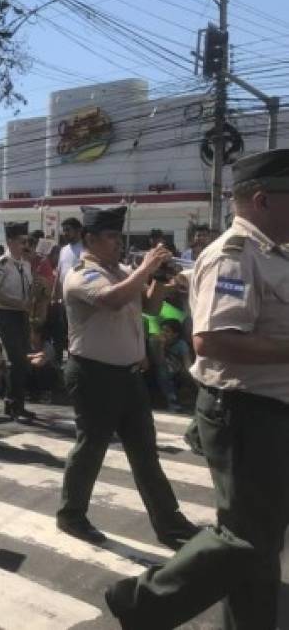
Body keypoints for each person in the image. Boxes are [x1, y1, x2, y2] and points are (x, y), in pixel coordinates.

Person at [105, 149, 289, 630]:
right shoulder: (234, 256)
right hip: (247, 412)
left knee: (262, 541)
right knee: (246, 539)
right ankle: (143, 602)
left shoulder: (274, 252)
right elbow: (214, 340)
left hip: (270, 408)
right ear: (263, 199)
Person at [56, 205, 199, 549]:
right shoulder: (80, 274)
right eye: (111, 237)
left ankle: (170, 523)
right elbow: (112, 300)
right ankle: (71, 514)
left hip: (129, 374)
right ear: (90, 239)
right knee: (91, 447)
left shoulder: (121, 270)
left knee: (145, 453)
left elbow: (148, 307)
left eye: (119, 236)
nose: (118, 243)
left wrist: (162, 280)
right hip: (94, 375)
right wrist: (146, 268)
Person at [0, 221, 36, 420]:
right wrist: (17, 303)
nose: (25, 244)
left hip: (20, 315)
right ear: (10, 241)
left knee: (22, 361)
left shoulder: (25, 263)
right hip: (5, 315)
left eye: (26, 240)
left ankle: (15, 402)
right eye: (21, 241)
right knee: (16, 361)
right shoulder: (2, 263)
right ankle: (15, 405)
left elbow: (29, 293)